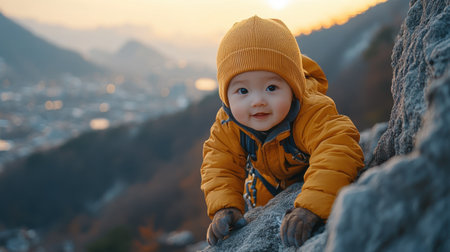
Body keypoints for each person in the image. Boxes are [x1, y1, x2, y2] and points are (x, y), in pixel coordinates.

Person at [200, 15, 364, 247]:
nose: (257, 101)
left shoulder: (311, 111)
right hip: (266, 188)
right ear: (226, 96)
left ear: (293, 86)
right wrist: (225, 206)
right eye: (242, 91)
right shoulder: (229, 122)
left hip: (314, 181)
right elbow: (218, 163)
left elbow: (339, 146)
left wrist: (311, 208)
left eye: (271, 87)